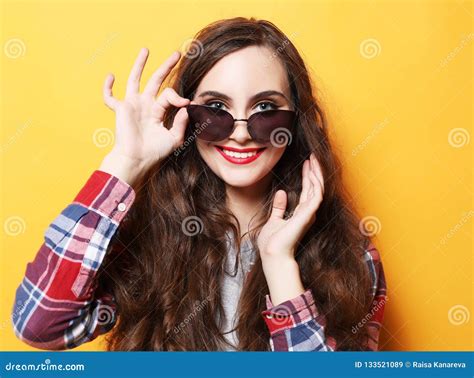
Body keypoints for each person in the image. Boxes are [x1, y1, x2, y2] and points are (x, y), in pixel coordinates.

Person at [12, 17, 387, 351]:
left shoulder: (350, 255)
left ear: (294, 121)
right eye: (217, 109)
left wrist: (280, 265)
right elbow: (40, 325)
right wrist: (126, 162)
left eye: (265, 109)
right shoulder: (149, 235)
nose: (240, 134)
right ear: (188, 116)